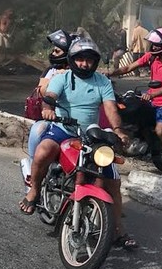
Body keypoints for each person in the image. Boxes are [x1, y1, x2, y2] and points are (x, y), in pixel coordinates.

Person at [21, 37, 136, 250]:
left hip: (91, 135)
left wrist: (118, 130)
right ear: (73, 60)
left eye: (89, 60)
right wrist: (48, 109)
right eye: (80, 59)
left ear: (95, 62)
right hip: (63, 130)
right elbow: (50, 96)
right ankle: (34, 191)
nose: (85, 64)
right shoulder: (63, 78)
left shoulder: (102, 82)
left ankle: (118, 228)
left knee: (112, 181)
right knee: (43, 152)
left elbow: (110, 107)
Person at [108, 27, 162, 175]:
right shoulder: (151, 57)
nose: (153, 47)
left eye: (156, 44)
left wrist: (153, 94)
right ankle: (140, 143)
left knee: (160, 131)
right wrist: (111, 73)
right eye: (152, 44)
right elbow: (130, 67)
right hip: (151, 98)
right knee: (129, 111)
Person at [25, 30, 73, 166]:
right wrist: (55, 78)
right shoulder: (50, 71)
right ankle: (33, 168)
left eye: (57, 52)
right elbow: (41, 92)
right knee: (37, 130)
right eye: (53, 51)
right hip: (54, 120)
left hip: (78, 123)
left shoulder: (81, 71)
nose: (53, 54)